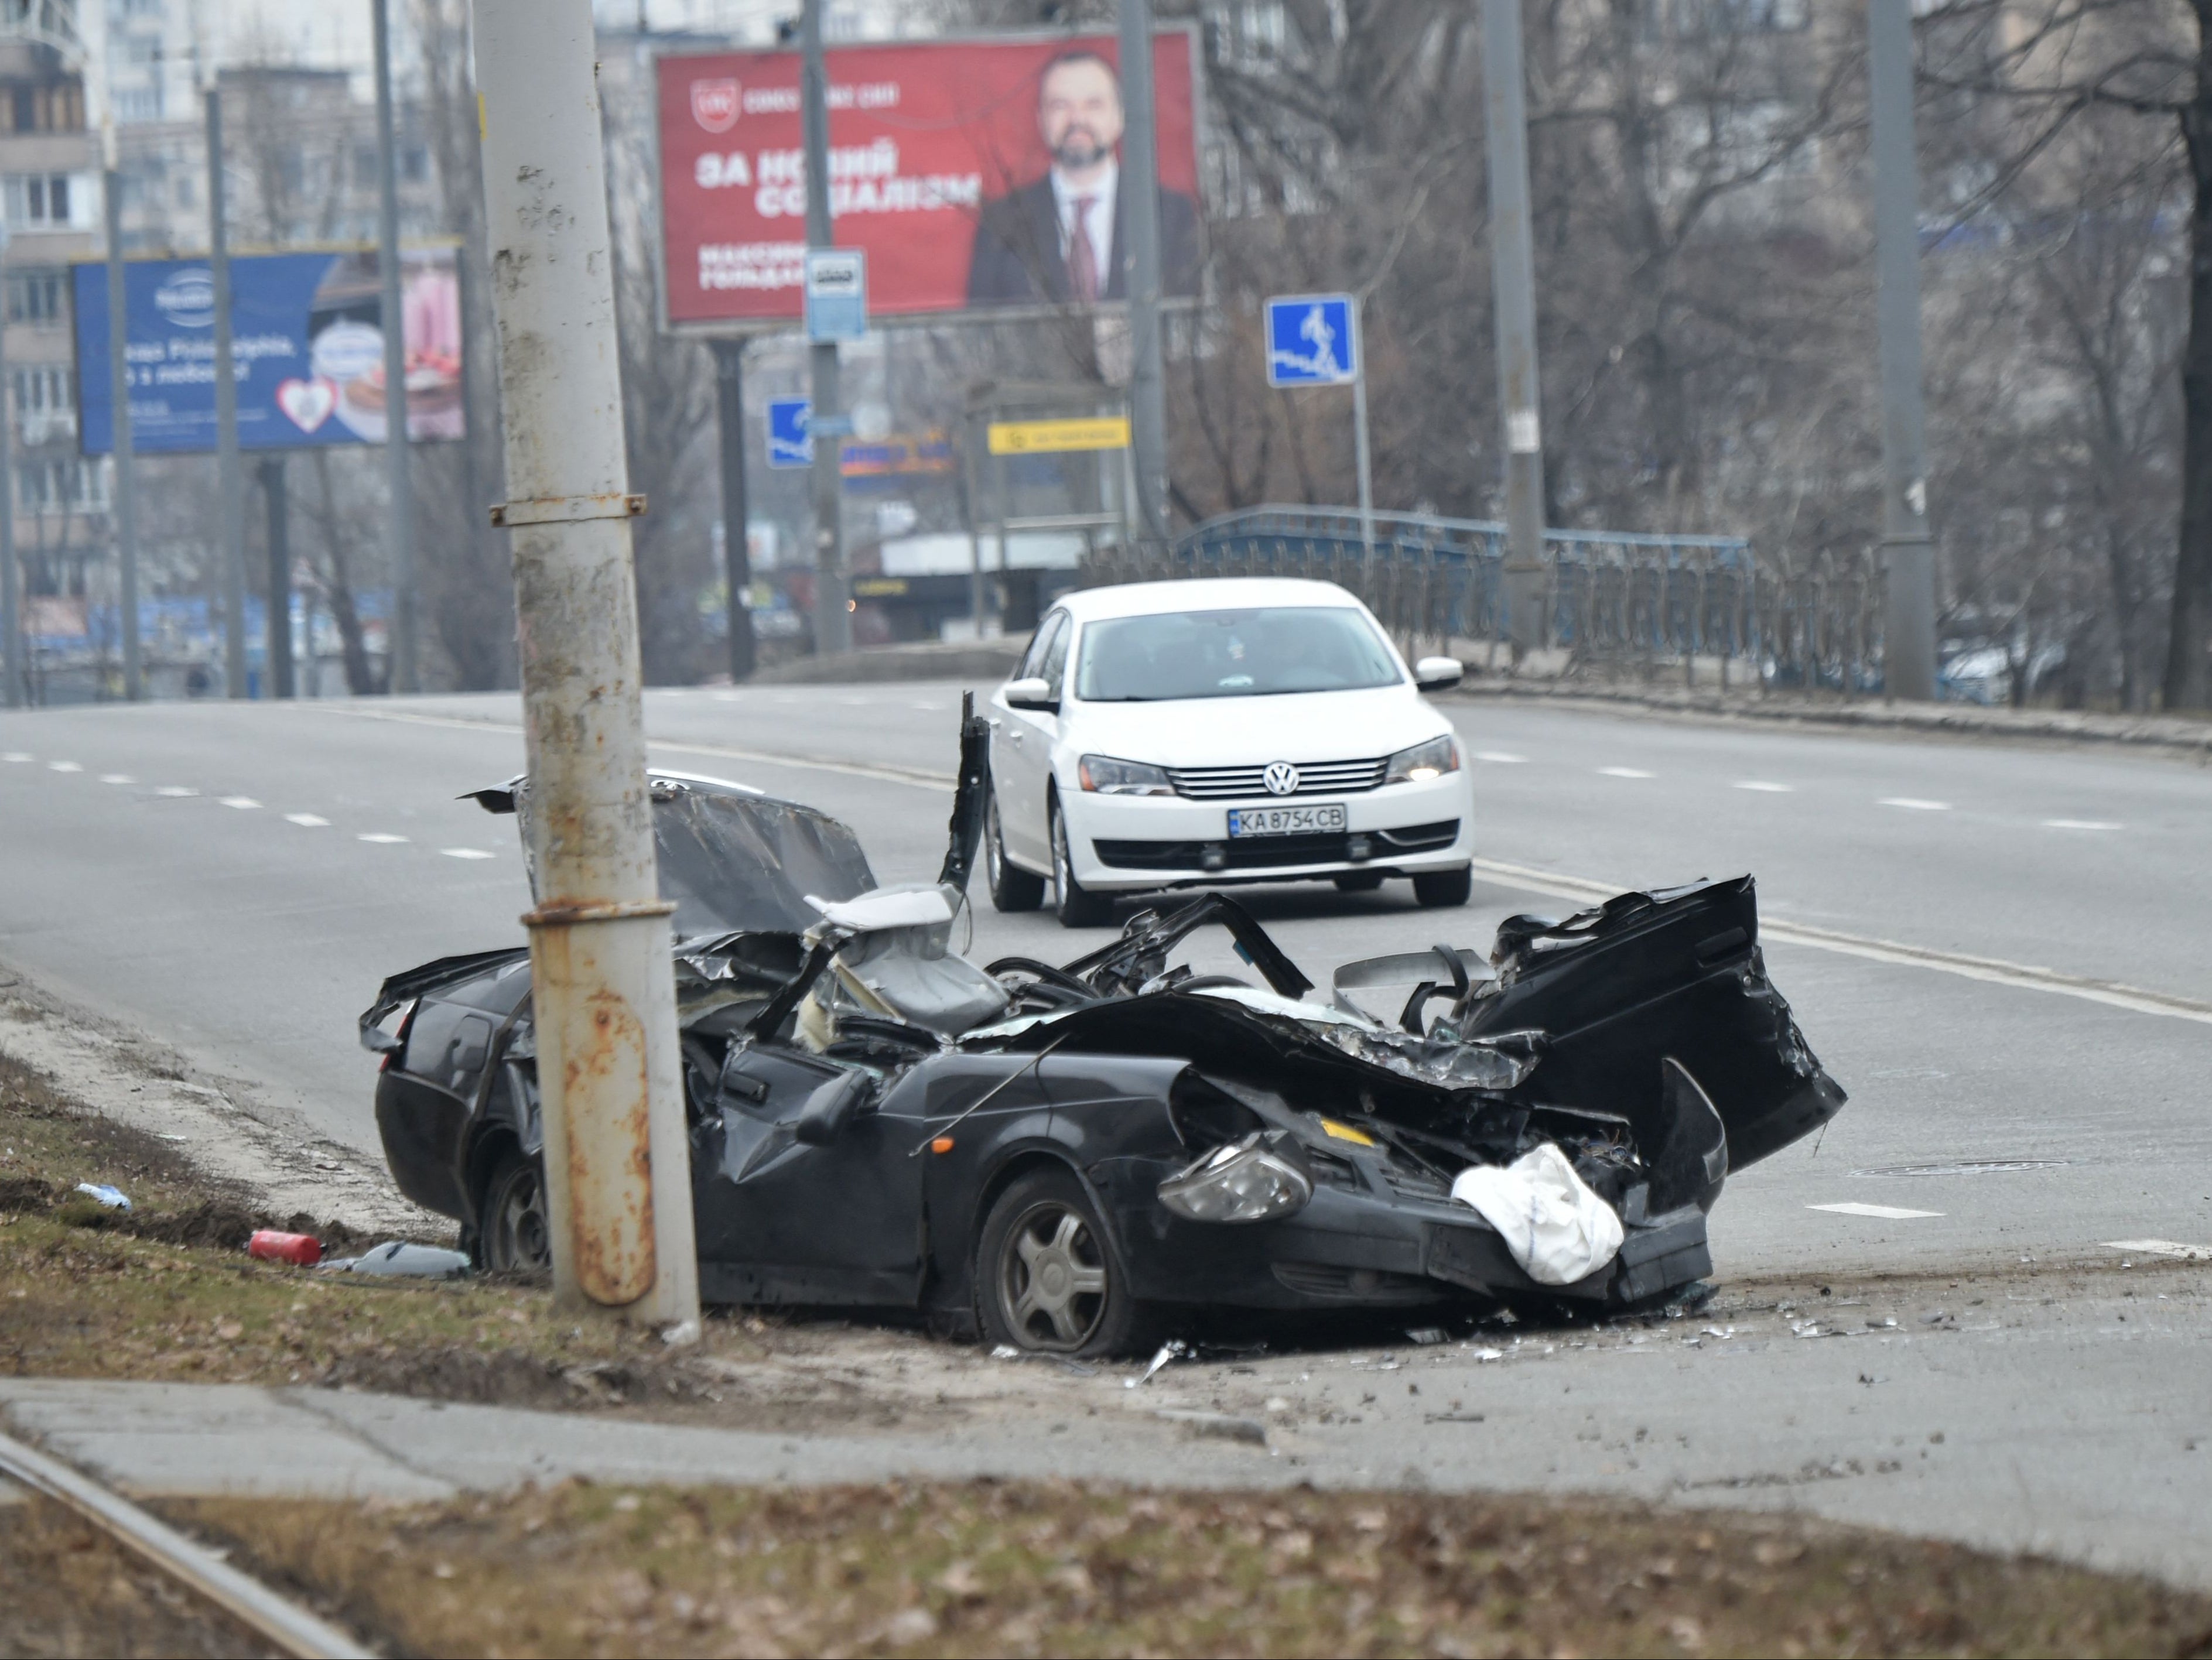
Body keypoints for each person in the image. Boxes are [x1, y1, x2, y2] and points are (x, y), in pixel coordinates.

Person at [965, 49, 1201, 307]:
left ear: (1120, 116)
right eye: (1060, 106)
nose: (1077, 119)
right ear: (1041, 120)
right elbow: (983, 324)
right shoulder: (1003, 222)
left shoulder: (1169, 214)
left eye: (1093, 105)